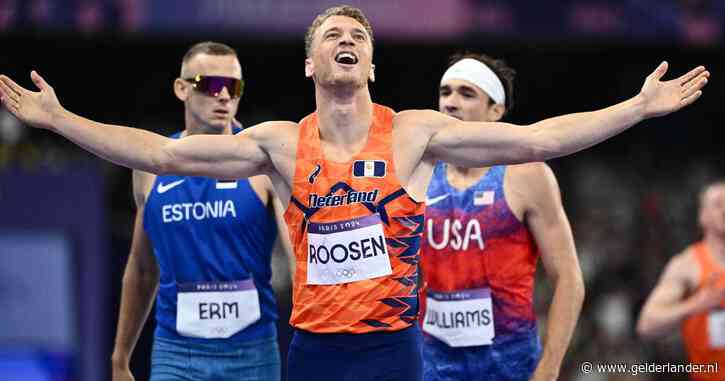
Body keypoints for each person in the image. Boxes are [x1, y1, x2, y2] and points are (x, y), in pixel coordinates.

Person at [0, 5, 709, 381]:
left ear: (370, 62)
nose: (346, 40)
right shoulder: (279, 142)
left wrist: (635, 108)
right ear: (310, 61)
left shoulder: (413, 134)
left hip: (392, 349)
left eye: (358, 36)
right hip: (313, 349)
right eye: (332, 33)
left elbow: (537, 140)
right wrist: (61, 119)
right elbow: (159, 150)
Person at [108, 41, 292, 381]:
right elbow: (143, 269)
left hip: (253, 353)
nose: (223, 95)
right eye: (210, 84)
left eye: (233, 87)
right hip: (176, 354)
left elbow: (299, 258)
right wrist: (120, 357)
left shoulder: (266, 162)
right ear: (181, 89)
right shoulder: (150, 169)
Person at [419, 52, 584, 381]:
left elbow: (569, 279)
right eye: (445, 92)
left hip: (511, 365)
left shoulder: (526, 175)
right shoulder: (417, 172)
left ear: (496, 110)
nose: (451, 102)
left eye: (467, 94)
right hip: (431, 366)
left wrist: (549, 369)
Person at [637, 181, 725, 381]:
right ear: (703, 216)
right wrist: (696, 304)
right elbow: (647, 324)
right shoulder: (688, 265)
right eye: (719, 203)